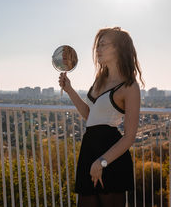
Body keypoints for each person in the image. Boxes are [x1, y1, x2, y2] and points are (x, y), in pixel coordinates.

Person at [58, 27, 144, 207]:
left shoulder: (130, 87)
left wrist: (102, 162)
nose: (98, 49)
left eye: (103, 45)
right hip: (89, 151)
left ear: (119, 49)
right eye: (97, 45)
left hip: (110, 157)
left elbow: (129, 137)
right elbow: (90, 116)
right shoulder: (100, 79)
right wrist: (69, 89)